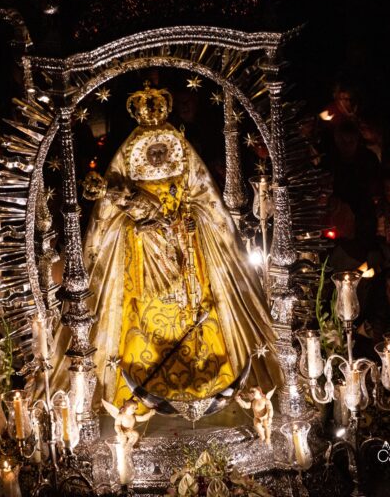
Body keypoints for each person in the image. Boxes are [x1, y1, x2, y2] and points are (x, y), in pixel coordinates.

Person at [51, 86, 281, 408]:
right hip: (142, 253)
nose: (157, 153)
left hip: (186, 247)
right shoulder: (128, 153)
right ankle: (141, 385)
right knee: (143, 317)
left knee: (196, 310)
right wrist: (136, 217)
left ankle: (205, 371)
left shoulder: (181, 147)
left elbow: (204, 197)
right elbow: (109, 210)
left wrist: (188, 218)